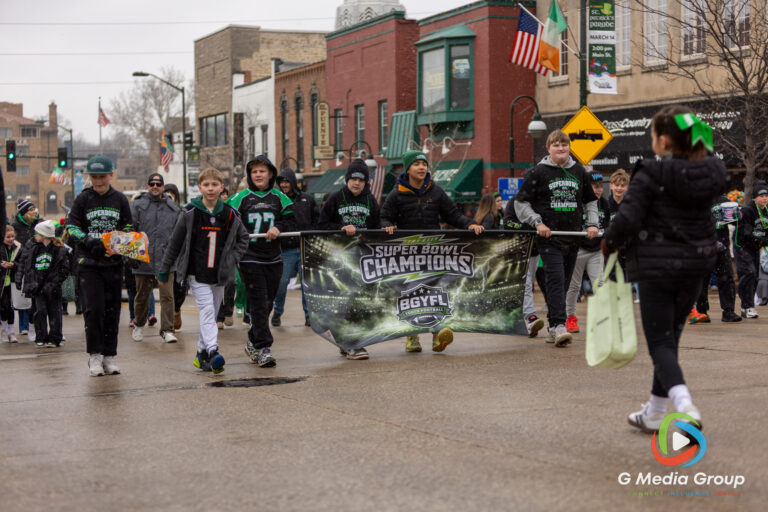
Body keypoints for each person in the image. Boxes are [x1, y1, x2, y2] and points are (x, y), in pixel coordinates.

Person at [603, 105, 728, 432]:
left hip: (657, 266)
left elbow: (626, 219)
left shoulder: (651, 174)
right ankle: (655, 411)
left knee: (660, 342)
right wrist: (693, 130)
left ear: (664, 142)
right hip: (696, 263)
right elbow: (706, 152)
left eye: (655, 135)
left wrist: (609, 242)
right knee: (670, 339)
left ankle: (685, 406)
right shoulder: (710, 172)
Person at [381, 150, 484, 354]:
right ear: (408, 168)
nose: (421, 167)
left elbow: (452, 215)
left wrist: (470, 224)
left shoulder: (435, 192)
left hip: (433, 252)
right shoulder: (397, 193)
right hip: (407, 253)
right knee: (411, 294)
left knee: (435, 293)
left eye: (424, 164)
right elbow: (384, 216)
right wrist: (387, 226)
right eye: (417, 164)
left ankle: (438, 335)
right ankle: (412, 336)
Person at [159, 168, 249, 374]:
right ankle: (213, 350)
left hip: (219, 273)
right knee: (207, 311)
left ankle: (201, 354)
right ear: (199, 188)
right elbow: (175, 242)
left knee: (212, 311)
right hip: (197, 272)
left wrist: (233, 259)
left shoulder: (229, 214)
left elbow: (244, 238)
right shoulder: (190, 213)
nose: (210, 189)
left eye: (215, 185)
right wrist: (165, 269)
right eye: (206, 185)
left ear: (222, 187)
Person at [514, 130, 599, 347]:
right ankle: (560, 325)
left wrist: (592, 224)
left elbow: (590, 201)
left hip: (573, 237)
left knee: (565, 283)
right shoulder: (538, 173)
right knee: (556, 280)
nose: (561, 148)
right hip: (549, 238)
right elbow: (520, 203)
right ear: (548, 148)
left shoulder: (579, 171)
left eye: (564, 145)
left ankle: (553, 326)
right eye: (556, 145)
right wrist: (537, 222)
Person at [66, 155, 133, 377]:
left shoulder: (121, 200)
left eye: (102, 177)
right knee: (93, 310)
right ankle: (94, 355)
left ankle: (109, 356)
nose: (98, 181)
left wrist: (117, 244)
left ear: (110, 175)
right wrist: (90, 242)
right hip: (89, 264)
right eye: (94, 177)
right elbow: (72, 227)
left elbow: (129, 225)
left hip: (113, 263)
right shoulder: (82, 200)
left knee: (112, 312)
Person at [226, 156, 295, 368]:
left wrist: (278, 228)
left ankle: (252, 341)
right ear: (249, 174)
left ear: (271, 174)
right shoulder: (241, 198)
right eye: (254, 171)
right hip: (249, 258)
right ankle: (264, 348)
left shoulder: (279, 198)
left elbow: (292, 219)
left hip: (273, 258)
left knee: (266, 304)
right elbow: (228, 221)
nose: (258, 175)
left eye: (262, 171)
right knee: (257, 302)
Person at [317, 158, 381, 360]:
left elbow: (377, 228)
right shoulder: (336, 198)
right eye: (353, 178)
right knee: (346, 301)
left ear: (366, 182)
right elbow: (320, 225)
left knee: (361, 302)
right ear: (347, 179)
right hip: (339, 258)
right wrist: (340, 229)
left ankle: (351, 342)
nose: (356, 183)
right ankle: (351, 343)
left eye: (361, 180)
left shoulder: (371, 201)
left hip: (363, 259)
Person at [130, 173, 181, 343]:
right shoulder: (137, 205)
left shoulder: (172, 207)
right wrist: (132, 255)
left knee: (167, 297)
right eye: (152, 183)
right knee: (142, 296)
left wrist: (176, 257)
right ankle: (138, 324)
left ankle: (167, 329)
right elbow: (131, 231)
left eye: (158, 184)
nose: (155, 186)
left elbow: (178, 234)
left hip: (166, 260)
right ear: (148, 185)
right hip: (143, 258)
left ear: (163, 186)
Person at [272, 167, 318, 328]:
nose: (284, 185)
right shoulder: (277, 200)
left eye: (286, 181)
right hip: (287, 249)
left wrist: (311, 233)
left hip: (305, 247)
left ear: (293, 182)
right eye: (281, 182)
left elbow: (317, 220)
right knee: (282, 283)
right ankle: (277, 311)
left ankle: (308, 316)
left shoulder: (307, 199)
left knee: (307, 284)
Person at [565, 170, 609, 333]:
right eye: (594, 186)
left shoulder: (604, 203)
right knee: (574, 286)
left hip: (596, 250)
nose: (597, 190)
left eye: (600, 187)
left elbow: (607, 225)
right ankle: (570, 318)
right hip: (577, 250)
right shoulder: (578, 203)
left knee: (600, 284)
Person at [690, 195, 741, 323]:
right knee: (702, 280)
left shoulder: (723, 201)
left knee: (727, 278)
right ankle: (702, 311)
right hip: (703, 248)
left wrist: (738, 216)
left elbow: (733, 220)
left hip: (722, 246)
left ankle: (728, 311)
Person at [19, 220, 69, 348]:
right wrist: (33, 283)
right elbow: (29, 267)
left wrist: (54, 282)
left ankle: (55, 338)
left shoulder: (59, 249)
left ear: (44, 235)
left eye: (37, 233)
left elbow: (64, 269)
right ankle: (40, 337)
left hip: (54, 288)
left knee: (55, 313)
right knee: (39, 312)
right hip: (39, 287)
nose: (35, 235)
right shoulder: (34, 248)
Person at [503, 191, 546, 338]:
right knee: (526, 283)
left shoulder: (541, 200)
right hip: (518, 249)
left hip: (535, 249)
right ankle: (530, 317)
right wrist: (529, 228)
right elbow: (507, 223)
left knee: (527, 283)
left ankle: (518, 319)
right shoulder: (515, 200)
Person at [733, 181, 768, 319]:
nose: (765, 198)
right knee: (748, 273)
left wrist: (763, 241)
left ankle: (747, 306)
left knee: (754, 277)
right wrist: (758, 239)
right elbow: (745, 232)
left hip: (755, 247)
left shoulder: (765, 211)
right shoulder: (748, 210)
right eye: (762, 196)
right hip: (742, 246)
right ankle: (747, 306)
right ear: (754, 197)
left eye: (766, 195)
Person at [12, 198, 39, 339]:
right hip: (19, 265)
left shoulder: (36, 225)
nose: (34, 212)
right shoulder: (15, 226)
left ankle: (30, 325)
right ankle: (23, 326)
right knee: (21, 297)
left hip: (35, 265)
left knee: (32, 298)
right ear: (24, 213)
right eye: (31, 210)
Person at [164, 183, 187, 330]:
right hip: (165, 255)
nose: (169, 196)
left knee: (180, 290)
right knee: (167, 291)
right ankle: (168, 322)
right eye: (167, 193)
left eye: (172, 194)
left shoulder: (182, 212)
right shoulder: (160, 212)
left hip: (181, 256)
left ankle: (177, 310)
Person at [216, 187, 238, 329]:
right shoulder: (210, 211)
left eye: (225, 194)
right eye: (221, 194)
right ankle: (218, 317)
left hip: (230, 252)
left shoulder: (232, 211)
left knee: (231, 283)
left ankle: (228, 311)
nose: (223, 196)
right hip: (215, 253)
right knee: (217, 286)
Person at [0, 225, 20, 343]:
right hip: (3, 282)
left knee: (11, 307)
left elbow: (21, 263)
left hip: (12, 282)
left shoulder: (17, 247)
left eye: (12, 236)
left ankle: (11, 332)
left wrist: (13, 265)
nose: (11, 239)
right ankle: (4, 330)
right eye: (8, 237)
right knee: (3, 308)